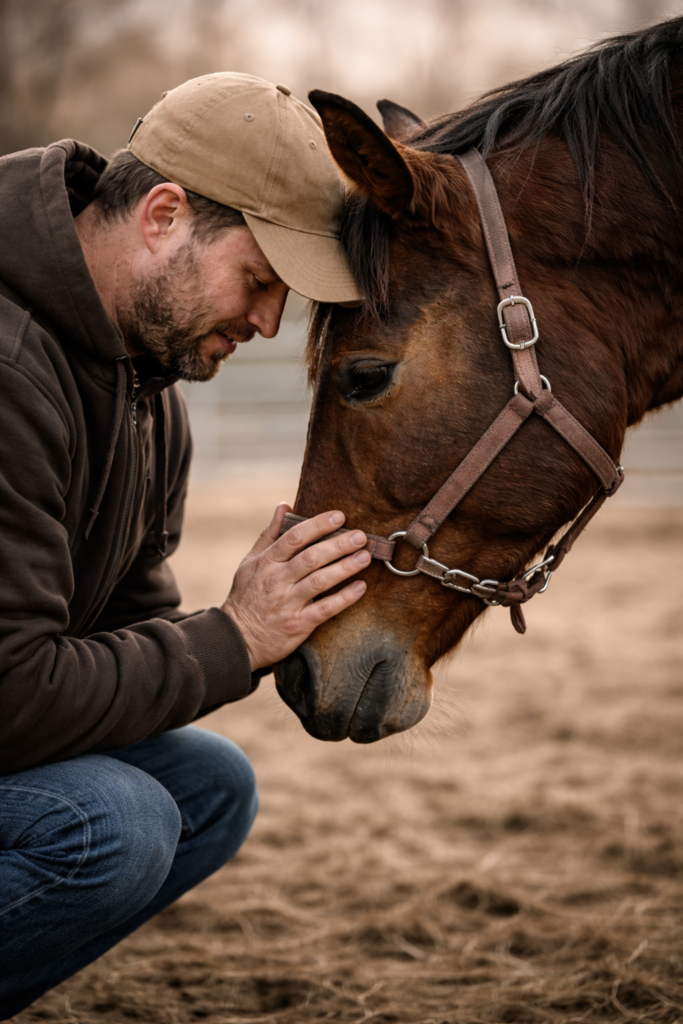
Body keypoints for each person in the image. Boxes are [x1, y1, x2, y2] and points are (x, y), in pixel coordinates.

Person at [0, 73, 370, 1018]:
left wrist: (253, 631)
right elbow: (13, 695)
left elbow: (124, 634)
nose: (266, 323)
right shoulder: (10, 372)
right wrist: (236, 637)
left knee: (207, 786)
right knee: (110, 828)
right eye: (260, 281)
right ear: (163, 215)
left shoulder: (144, 388)